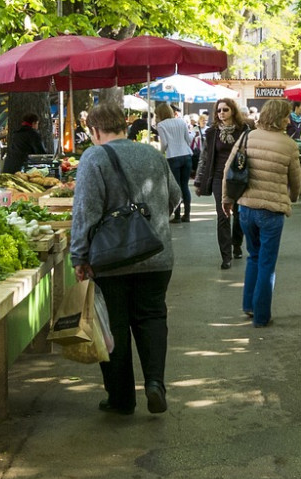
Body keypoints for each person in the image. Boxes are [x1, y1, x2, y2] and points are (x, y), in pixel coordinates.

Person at [70, 103, 182, 416]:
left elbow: (85, 212)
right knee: (152, 318)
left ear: (93, 130)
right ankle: (156, 384)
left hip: (111, 259)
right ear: (124, 124)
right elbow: (174, 197)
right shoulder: (152, 154)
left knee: (114, 326)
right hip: (156, 254)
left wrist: (78, 255)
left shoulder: (94, 157)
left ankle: (121, 399)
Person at [220, 99, 299, 325]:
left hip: (246, 208)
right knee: (266, 263)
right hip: (272, 211)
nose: (289, 119)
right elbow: (295, 179)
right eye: (287, 115)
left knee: (253, 257)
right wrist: (292, 198)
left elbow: (229, 169)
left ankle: (249, 306)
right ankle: (262, 317)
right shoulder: (289, 145)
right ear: (279, 117)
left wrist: (227, 199)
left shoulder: (247, 137)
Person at [194, 97, 250, 269]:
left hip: (239, 177)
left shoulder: (244, 130)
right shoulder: (212, 133)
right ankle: (226, 256)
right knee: (223, 216)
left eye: (225, 109)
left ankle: (237, 244)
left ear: (233, 110)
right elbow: (204, 157)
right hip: (219, 178)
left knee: (239, 215)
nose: (221, 113)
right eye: (219, 110)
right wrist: (198, 181)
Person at [155, 103, 194, 223]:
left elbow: (165, 143)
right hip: (186, 155)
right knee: (185, 186)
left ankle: (177, 215)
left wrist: (160, 154)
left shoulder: (161, 125)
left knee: (175, 187)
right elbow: (188, 139)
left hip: (173, 156)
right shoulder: (181, 122)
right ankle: (187, 214)